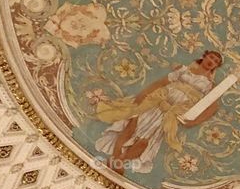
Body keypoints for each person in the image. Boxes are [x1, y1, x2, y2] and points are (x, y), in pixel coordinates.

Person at [94, 51, 224, 175]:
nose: (212, 61)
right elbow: (161, 83)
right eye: (211, 57)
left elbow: (212, 108)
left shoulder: (209, 85)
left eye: (216, 61)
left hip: (170, 113)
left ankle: (120, 163)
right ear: (205, 56)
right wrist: (143, 95)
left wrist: (194, 121)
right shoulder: (184, 70)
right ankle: (115, 156)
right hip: (156, 101)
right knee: (132, 125)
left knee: (148, 140)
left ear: (216, 66)